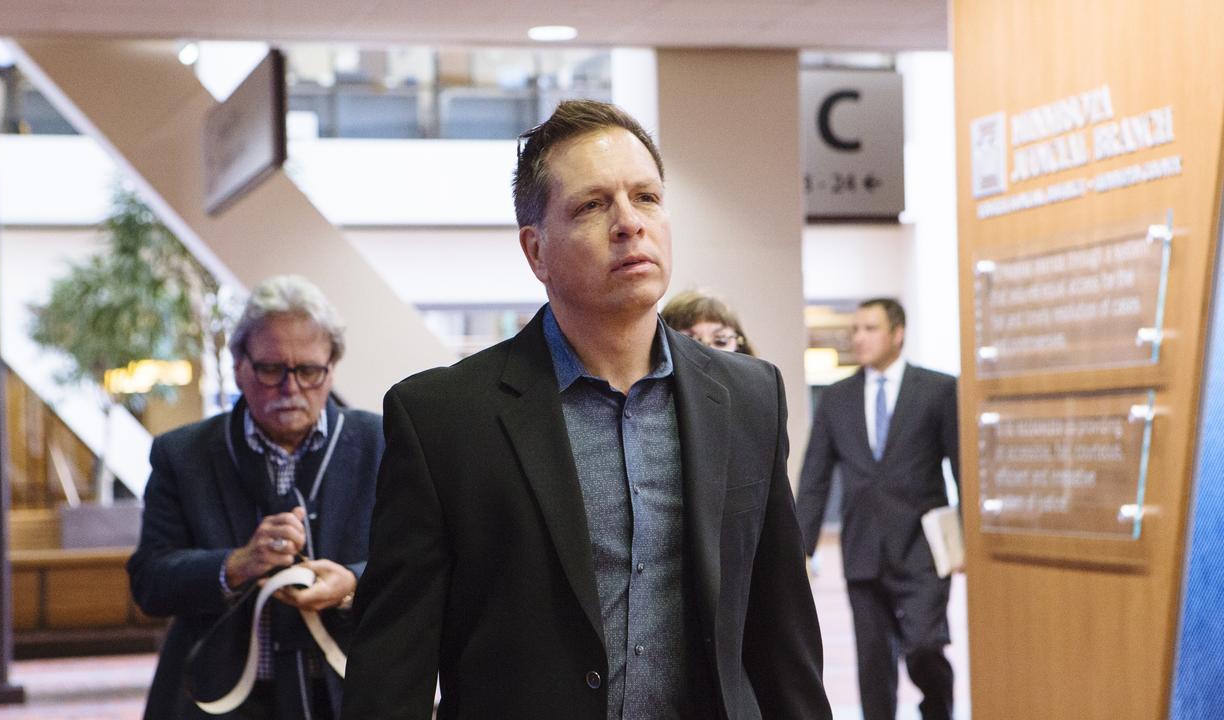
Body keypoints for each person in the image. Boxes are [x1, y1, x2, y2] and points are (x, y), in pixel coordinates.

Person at [342, 100, 831, 720]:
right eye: (592, 206)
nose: (629, 223)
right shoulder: (443, 417)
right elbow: (393, 665)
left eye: (646, 198)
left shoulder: (748, 397)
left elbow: (781, 631)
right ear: (535, 251)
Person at [127, 275, 385, 720]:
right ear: (239, 366)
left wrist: (352, 583)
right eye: (271, 369)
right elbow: (150, 581)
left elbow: (418, 562)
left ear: (331, 368)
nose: (290, 388)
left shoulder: (380, 443)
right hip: (218, 697)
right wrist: (236, 565)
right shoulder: (184, 454)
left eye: (308, 370)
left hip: (346, 694)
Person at [795, 297, 960, 720]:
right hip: (862, 549)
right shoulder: (837, 398)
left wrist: (969, 539)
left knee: (924, 647)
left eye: (870, 328)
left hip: (922, 550)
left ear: (897, 333)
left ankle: (938, 710)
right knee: (873, 665)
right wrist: (802, 549)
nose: (859, 338)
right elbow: (815, 478)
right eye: (855, 330)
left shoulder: (939, 390)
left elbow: (963, 467)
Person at [660, 289, 755, 356]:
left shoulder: (757, 381)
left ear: (740, 346)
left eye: (721, 341)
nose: (708, 352)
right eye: (689, 341)